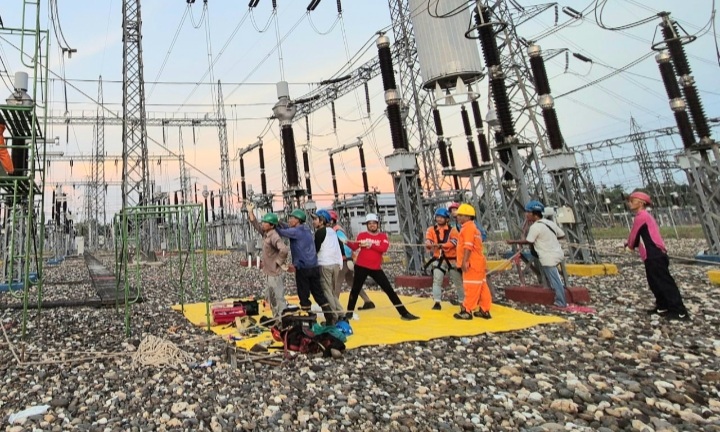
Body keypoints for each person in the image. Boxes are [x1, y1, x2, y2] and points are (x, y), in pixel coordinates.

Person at [625, 190, 689, 321]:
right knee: (654, 282)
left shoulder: (641, 216)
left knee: (664, 282)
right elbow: (637, 237)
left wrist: (629, 245)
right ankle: (663, 306)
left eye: (632, 200)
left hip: (654, 254)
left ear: (641, 203)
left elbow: (634, 236)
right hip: (652, 255)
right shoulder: (643, 216)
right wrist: (628, 244)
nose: (629, 203)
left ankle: (679, 310)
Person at [343, 213, 419, 321]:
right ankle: (349, 313)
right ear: (367, 225)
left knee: (389, 290)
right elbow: (355, 246)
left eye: (374, 223)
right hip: (361, 266)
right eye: (370, 223)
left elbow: (383, 248)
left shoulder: (383, 236)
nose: (372, 225)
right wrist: (346, 242)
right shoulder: (361, 235)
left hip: (376, 268)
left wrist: (371, 245)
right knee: (355, 290)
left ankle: (404, 313)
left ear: (377, 224)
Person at [276, 209, 336, 325]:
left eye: (292, 218)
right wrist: (280, 221)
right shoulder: (306, 229)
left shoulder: (296, 232)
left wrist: (274, 224)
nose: (289, 220)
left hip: (303, 268)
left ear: (297, 220)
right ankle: (330, 317)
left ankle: (309, 319)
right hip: (314, 266)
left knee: (303, 295)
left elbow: (282, 232)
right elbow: (288, 228)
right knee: (318, 293)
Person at [506, 200, 568, 308]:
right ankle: (559, 299)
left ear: (534, 214)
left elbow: (529, 241)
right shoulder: (550, 223)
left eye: (528, 212)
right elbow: (562, 235)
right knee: (555, 278)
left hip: (548, 256)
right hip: (557, 253)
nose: (526, 215)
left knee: (555, 279)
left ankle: (561, 302)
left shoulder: (535, 227)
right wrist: (548, 238)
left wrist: (513, 242)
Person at [245, 202, 288, 318]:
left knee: (279, 297)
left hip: (275, 274)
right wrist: (250, 211)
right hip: (269, 272)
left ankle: (283, 319)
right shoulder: (266, 234)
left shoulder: (274, 236)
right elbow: (256, 225)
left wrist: (278, 262)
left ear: (272, 225)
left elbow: (284, 249)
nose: (263, 224)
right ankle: (276, 318)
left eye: (265, 222)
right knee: (271, 297)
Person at [328, 209, 375, 310]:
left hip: (344, 261)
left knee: (337, 283)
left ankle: (334, 306)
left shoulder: (336, 231)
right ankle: (367, 301)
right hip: (346, 260)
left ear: (331, 220)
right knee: (352, 282)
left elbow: (346, 244)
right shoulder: (335, 230)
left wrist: (348, 258)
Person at [453, 204, 492, 320]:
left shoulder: (468, 228)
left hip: (472, 263)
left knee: (471, 287)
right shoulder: (474, 228)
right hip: (478, 262)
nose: (458, 217)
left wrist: (464, 261)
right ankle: (485, 310)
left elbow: (468, 246)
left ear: (468, 216)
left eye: (460, 215)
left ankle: (467, 311)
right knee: (482, 287)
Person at [424, 208, 463, 310]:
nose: (439, 219)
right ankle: (437, 302)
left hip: (452, 259)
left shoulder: (453, 230)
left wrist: (441, 245)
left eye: (442, 217)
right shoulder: (431, 230)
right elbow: (429, 240)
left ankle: (462, 301)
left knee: (458, 281)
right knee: (437, 280)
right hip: (439, 259)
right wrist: (429, 244)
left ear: (447, 219)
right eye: (438, 217)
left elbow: (454, 242)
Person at [312, 209, 345, 321]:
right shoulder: (332, 231)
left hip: (324, 264)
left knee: (327, 292)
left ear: (322, 221)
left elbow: (315, 250)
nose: (313, 221)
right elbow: (339, 247)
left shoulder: (319, 233)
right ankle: (341, 313)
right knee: (332, 291)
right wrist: (340, 262)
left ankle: (333, 317)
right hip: (335, 264)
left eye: (315, 219)